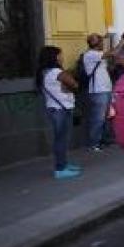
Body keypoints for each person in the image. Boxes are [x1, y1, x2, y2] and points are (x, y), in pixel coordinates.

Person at [36, 46, 82, 180]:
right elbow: (75, 85)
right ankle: (60, 169)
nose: (62, 57)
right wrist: (69, 85)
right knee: (61, 140)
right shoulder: (57, 72)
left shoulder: (44, 72)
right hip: (61, 109)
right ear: (54, 57)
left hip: (54, 108)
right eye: (60, 55)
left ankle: (63, 164)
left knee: (60, 139)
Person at [81, 33, 113, 151]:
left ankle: (103, 141)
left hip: (105, 88)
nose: (101, 43)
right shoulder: (90, 54)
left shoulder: (98, 54)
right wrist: (121, 42)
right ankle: (94, 143)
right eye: (100, 41)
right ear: (95, 43)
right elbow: (110, 53)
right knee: (98, 118)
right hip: (98, 90)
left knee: (105, 117)